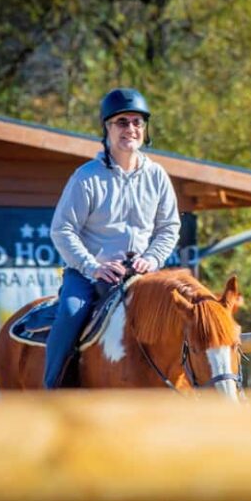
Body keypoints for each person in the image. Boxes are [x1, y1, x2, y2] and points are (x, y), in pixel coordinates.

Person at [44, 87, 181, 388]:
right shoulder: (86, 177)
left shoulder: (157, 175)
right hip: (89, 275)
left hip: (142, 274)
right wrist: (93, 267)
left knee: (183, 312)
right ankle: (54, 388)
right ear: (107, 128)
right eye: (122, 122)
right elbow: (62, 229)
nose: (131, 129)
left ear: (145, 129)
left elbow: (169, 227)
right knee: (71, 313)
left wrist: (152, 258)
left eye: (137, 122)